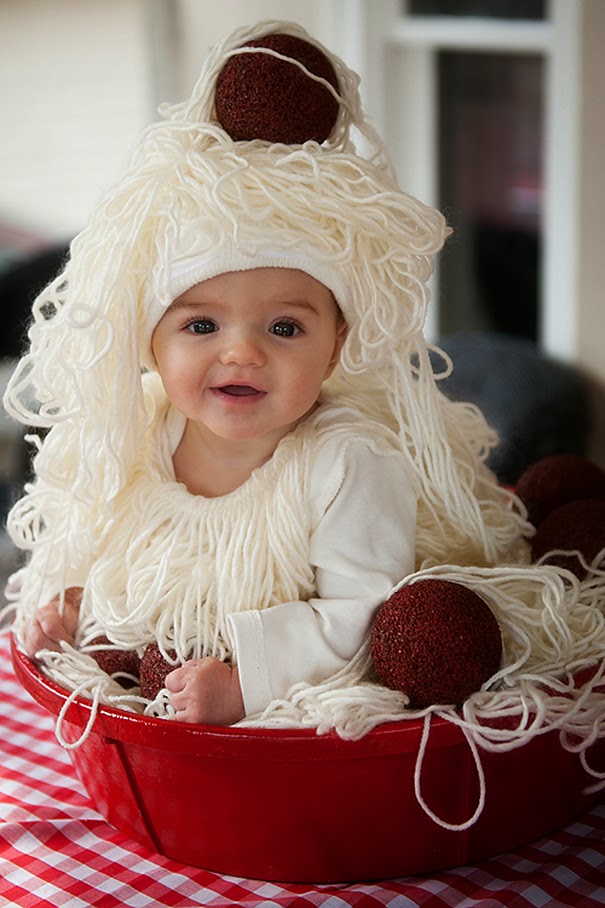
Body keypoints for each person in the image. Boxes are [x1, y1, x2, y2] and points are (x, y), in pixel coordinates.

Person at [5, 21, 601, 743]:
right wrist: (80, 608)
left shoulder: (347, 463)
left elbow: (361, 616)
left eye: (284, 328)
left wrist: (246, 682)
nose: (242, 354)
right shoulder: (143, 430)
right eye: (200, 327)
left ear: (335, 347)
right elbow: (132, 556)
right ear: (149, 341)